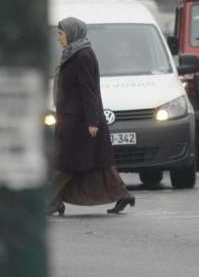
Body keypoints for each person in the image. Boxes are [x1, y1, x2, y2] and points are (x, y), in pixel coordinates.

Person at [47, 17, 135, 215]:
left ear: (72, 33)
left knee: (65, 164)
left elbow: (89, 90)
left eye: (61, 34)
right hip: (72, 119)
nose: (58, 38)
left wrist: (92, 121)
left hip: (81, 122)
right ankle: (123, 195)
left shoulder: (83, 55)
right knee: (100, 165)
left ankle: (51, 201)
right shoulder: (72, 53)